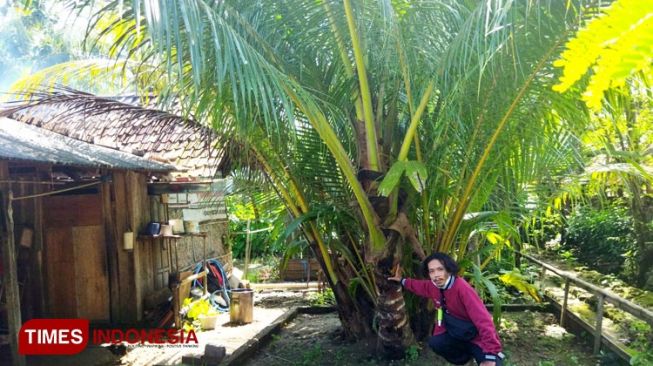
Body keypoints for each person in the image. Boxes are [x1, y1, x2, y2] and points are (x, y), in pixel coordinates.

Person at [388, 252, 504, 366]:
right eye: (432, 271)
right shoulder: (434, 286)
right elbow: (419, 286)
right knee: (436, 343)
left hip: (477, 338)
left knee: (493, 363)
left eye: (440, 269)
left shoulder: (462, 289)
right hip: (457, 334)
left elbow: (483, 321)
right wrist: (401, 280)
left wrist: (490, 353)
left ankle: (483, 354)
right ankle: (464, 359)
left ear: (448, 269)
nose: (436, 275)